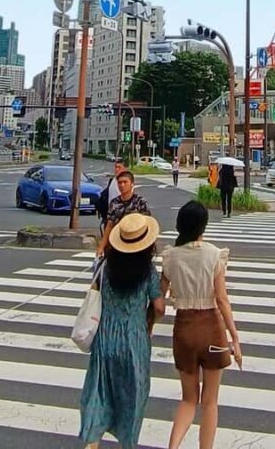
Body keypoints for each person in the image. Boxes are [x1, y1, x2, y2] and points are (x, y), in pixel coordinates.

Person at [161, 201, 242, 449]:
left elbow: (158, 298)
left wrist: (149, 324)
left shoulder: (170, 257)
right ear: (203, 226)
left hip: (183, 330)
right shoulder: (214, 254)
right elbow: (222, 299)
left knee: (188, 399)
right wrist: (235, 340)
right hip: (213, 332)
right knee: (210, 401)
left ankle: (173, 446)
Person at [80, 212, 164, 449]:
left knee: (99, 390)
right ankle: (127, 442)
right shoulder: (148, 271)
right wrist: (150, 321)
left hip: (105, 336)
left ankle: (93, 440)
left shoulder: (105, 266)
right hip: (133, 339)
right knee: (133, 394)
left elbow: (94, 291)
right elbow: (159, 307)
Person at [97, 171, 151, 257]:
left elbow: (148, 223)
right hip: (118, 242)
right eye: (119, 183)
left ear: (132, 184)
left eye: (125, 182)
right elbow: (109, 225)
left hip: (137, 242)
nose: (122, 185)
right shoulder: (114, 203)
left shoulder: (140, 201)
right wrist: (102, 246)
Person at [95, 161, 127, 230]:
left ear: (125, 169)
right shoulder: (112, 180)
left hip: (120, 216)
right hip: (110, 216)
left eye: (119, 167)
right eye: (116, 167)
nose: (117, 169)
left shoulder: (126, 183)